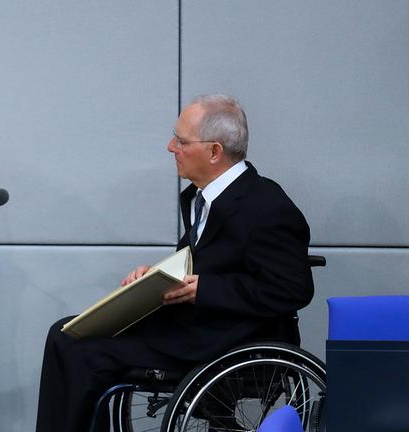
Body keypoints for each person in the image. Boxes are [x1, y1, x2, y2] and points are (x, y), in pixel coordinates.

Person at [35, 94, 314, 431]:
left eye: (181, 141)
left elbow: (293, 288)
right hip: (195, 324)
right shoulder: (207, 197)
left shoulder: (266, 206)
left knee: (83, 351)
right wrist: (154, 276)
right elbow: (206, 258)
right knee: (65, 333)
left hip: (223, 338)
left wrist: (206, 289)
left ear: (214, 151)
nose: (170, 147)